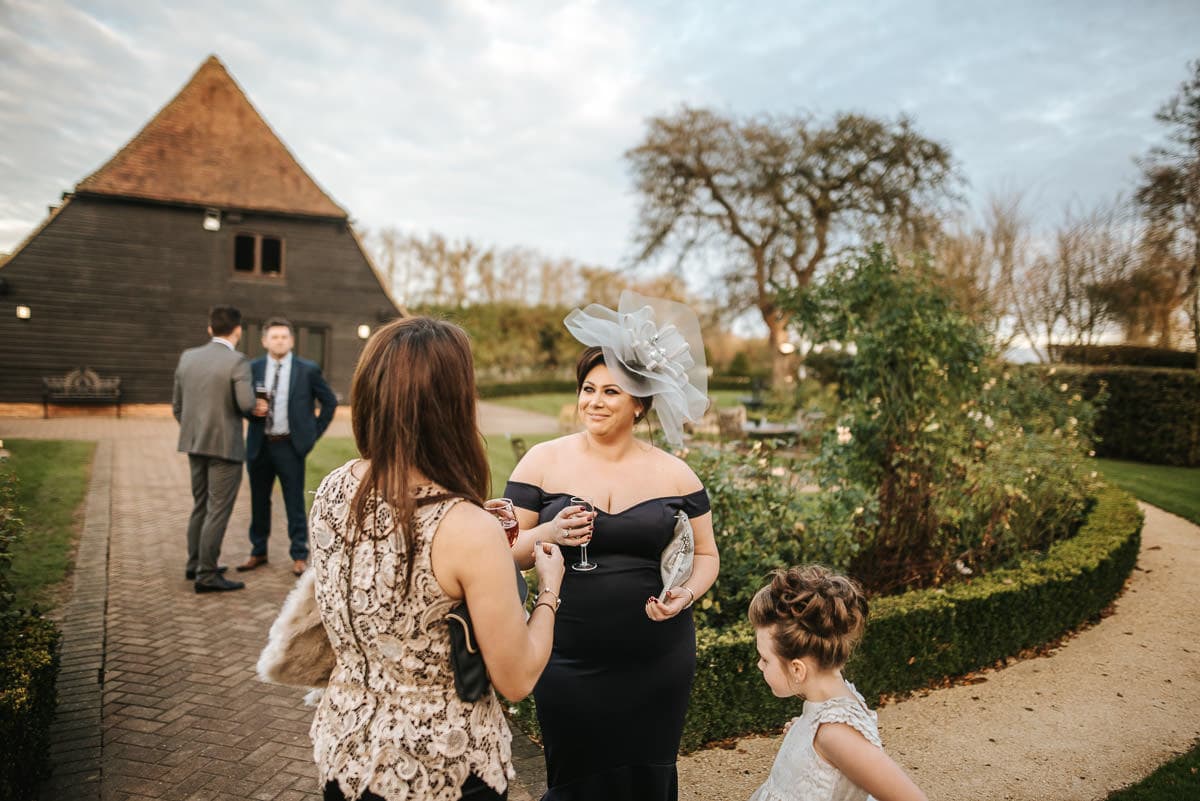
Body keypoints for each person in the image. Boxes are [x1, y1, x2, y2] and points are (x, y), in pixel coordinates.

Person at [308, 316, 565, 801]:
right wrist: (549, 589)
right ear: (452, 407)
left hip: (346, 750)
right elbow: (517, 677)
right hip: (439, 771)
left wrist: (467, 518)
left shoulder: (335, 487)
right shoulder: (468, 530)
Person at [504, 291, 719, 801]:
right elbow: (505, 550)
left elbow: (707, 555)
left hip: (657, 658)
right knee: (574, 777)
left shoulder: (675, 474)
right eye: (587, 389)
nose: (593, 402)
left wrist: (684, 596)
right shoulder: (541, 462)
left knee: (646, 780)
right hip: (568, 654)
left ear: (639, 403)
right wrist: (547, 535)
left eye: (611, 392)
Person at [747, 565, 927, 801]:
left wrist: (829, 739)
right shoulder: (827, 708)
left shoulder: (835, 733)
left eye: (765, 659)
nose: (760, 665)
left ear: (797, 669)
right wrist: (803, 737)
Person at [172, 305, 266, 593]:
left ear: (210, 328)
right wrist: (259, 407)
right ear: (238, 330)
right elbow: (245, 404)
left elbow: (178, 406)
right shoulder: (237, 361)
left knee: (200, 505)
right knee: (217, 510)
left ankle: (195, 563)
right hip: (225, 447)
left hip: (194, 443)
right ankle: (207, 574)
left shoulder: (188, 357)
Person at [238, 317, 338, 577]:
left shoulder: (308, 369)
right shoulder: (254, 367)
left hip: (290, 446)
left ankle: (299, 555)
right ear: (264, 341)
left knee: (294, 501)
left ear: (291, 340)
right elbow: (244, 404)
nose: (279, 341)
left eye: (284, 336)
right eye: (274, 337)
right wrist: (252, 411)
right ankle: (258, 550)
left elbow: (329, 403)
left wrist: (311, 435)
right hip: (260, 444)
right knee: (259, 500)